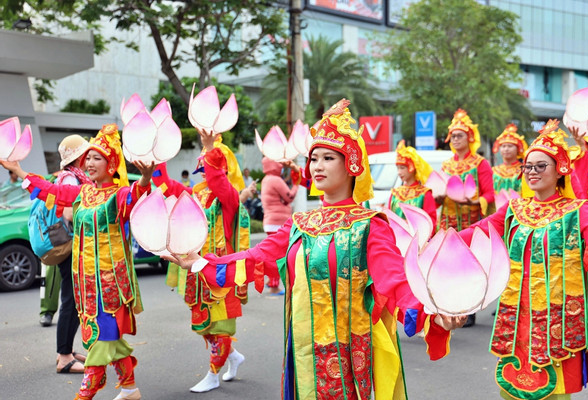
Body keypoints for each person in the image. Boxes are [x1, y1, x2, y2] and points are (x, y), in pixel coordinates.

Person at [165, 100, 466, 399]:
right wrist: (199, 262)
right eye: (314, 158)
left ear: (351, 165)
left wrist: (434, 316)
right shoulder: (300, 223)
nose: (317, 166)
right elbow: (257, 257)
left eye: (328, 158)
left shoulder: (369, 226)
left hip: (347, 359)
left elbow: (396, 281)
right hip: (303, 356)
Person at [1, 124, 155, 400]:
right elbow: (51, 191)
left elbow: (135, 198)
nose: (91, 163)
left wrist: (144, 179)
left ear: (112, 164)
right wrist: (20, 172)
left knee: (101, 339)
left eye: (98, 158)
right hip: (86, 283)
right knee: (108, 338)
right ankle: (130, 388)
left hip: (110, 285)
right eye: (88, 158)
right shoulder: (84, 193)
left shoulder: (118, 195)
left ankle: (85, 394)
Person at [458, 120, 588, 400]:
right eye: (528, 167)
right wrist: (440, 242)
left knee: (554, 392)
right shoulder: (515, 208)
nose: (532, 172)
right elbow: (480, 230)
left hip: (556, 319)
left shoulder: (576, 209)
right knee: (513, 387)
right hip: (517, 317)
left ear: (560, 170)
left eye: (540, 166)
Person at [152, 131, 255, 393]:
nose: (207, 169)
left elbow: (219, 182)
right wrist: (156, 157)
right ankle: (233, 357)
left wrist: (210, 147)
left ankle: (212, 374)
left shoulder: (229, 197)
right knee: (206, 326)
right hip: (197, 271)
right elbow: (163, 185)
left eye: (212, 162)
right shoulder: (194, 195)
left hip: (221, 271)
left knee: (220, 327)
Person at [437, 109, 494, 328]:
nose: (455, 139)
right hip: (448, 221)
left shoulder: (480, 163)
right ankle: (451, 308)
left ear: (470, 138)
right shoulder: (446, 166)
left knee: (469, 266)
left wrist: (472, 202)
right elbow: (438, 192)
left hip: (471, 222)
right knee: (449, 266)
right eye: (453, 135)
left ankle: (469, 310)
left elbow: (490, 194)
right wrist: (439, 197)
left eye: (460, 135)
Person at [47, 135, 94, 374]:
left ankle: (65, 351)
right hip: (70, 246)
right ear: (79, 156)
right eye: (88, 155)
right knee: (71, 301)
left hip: (69, 245)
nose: (90, 159)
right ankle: (64, 357)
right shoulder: (71, 178)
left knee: (73, 300)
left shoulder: (70, 176)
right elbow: (68, 213)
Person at [567, 126, 588, 306]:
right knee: (581, 251)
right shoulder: (584, 162)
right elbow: (581, 169)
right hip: (583, 213)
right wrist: (579, 146)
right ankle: (583, 287)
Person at [260, 157, 301, 294]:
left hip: (270, 221)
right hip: (277, 222)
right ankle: (274, 285)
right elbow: (289, 196)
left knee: (273, 252)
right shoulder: (275, 180)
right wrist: (296, 185)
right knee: (277, 255)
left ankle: (271, 281)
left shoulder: (267, 179)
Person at [389, 141, 437, 226]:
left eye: (402, 168)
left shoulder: (424, 194)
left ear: (412, 168)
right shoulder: (395, 193)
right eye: (398, 168)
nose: (399, 172)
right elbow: (389, 218)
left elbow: (431, 222)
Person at [491, 123, 528, 194]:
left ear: (518, 149)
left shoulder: (524, 170)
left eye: (510, 146)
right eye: (503, 146)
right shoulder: (494, 171)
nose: (506, 149)